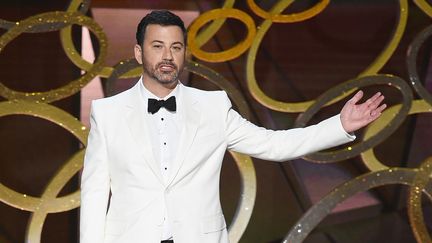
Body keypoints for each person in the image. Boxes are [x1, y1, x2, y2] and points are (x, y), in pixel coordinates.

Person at [79, 10, 386, 243]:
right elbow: (94, 193)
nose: (167, 56)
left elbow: (274, 145)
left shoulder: (213, 107)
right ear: (138, 53)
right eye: (157, 46)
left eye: (176, 47)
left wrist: (340, 125)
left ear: (185, 52)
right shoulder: (108, 113)